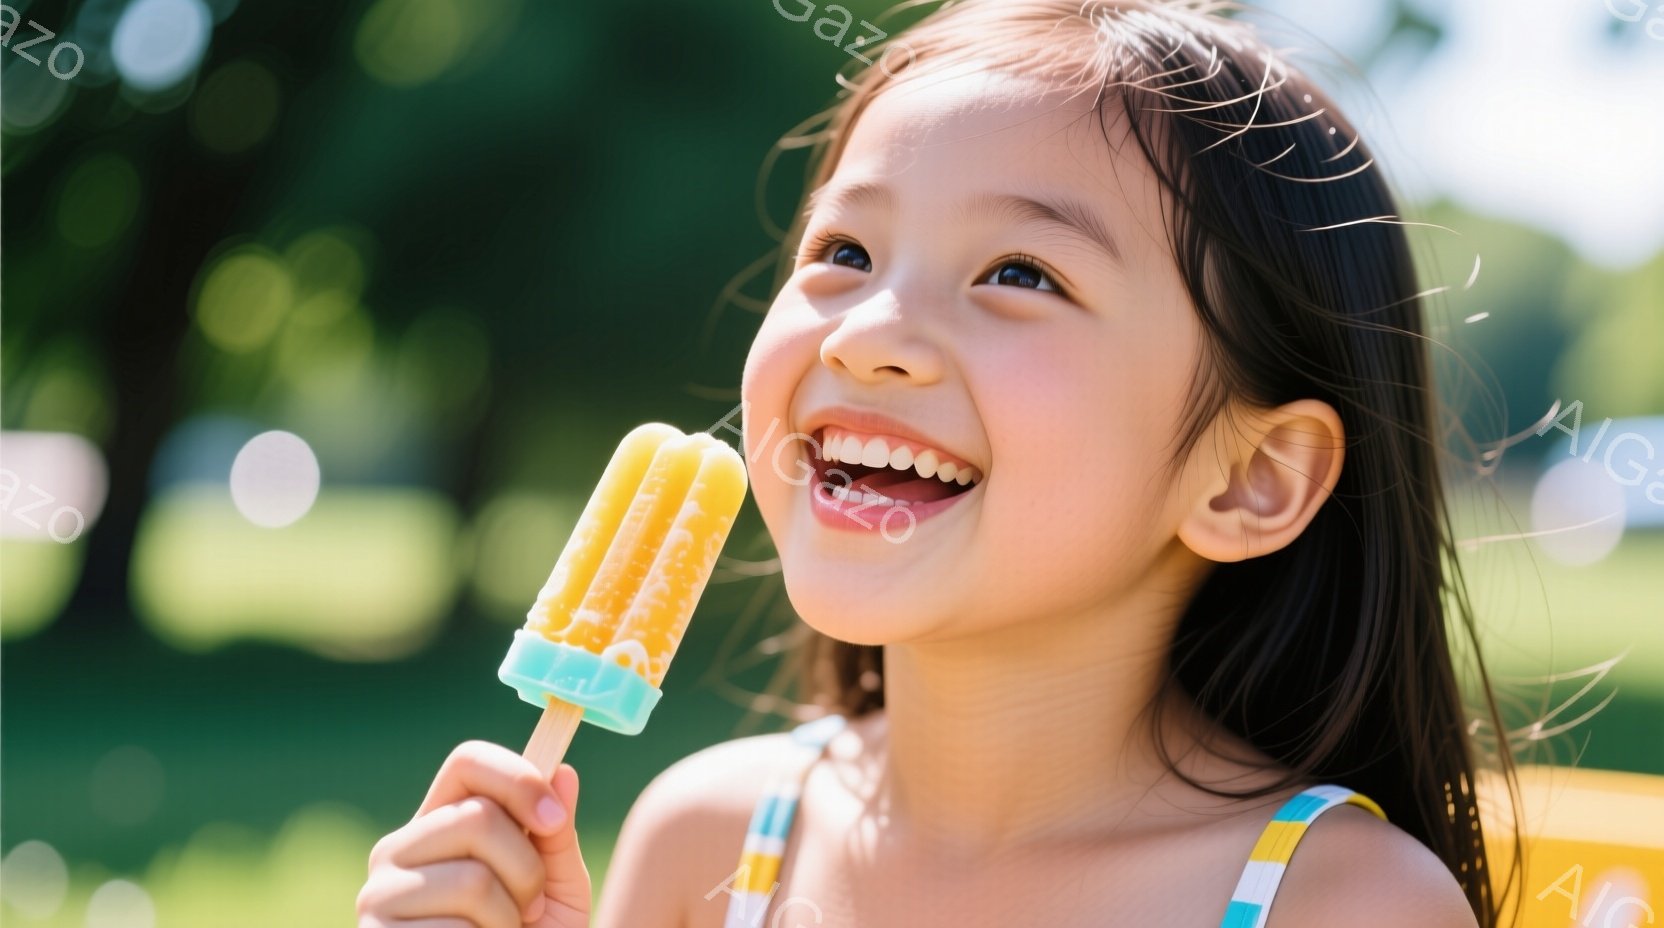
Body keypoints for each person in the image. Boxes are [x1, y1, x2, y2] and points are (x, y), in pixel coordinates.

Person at [357, 1, 1523, 925]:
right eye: (846, 250)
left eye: (1019, 274)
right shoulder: (704, 841)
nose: (867, 334)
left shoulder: (1339, 905)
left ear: (1246, 478)